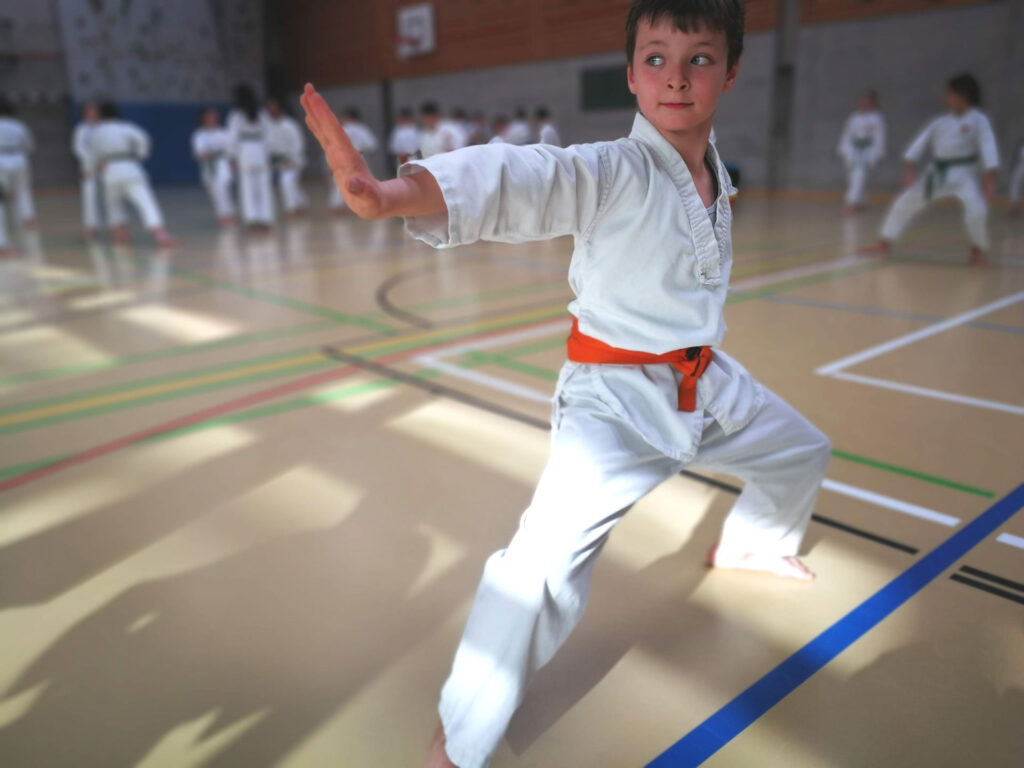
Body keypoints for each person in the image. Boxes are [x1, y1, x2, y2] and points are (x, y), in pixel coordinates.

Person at [302, 1, 831, 765]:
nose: (675, 79)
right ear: (630, 74)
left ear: (731, 73)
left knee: (800, 450)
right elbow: (524, 176)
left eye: (699, 59)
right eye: (655, 58)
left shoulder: (715, 171)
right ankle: (462, 734)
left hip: (702, 380)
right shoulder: (612, 169)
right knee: (538, 574)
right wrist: (392, 196)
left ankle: (752, 543)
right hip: (612, 402)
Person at [877, 73, 999, 265]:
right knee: (905, 202)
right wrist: (909, 170)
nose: (946, 97)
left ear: (962, 95)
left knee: (977, 211)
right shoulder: (940, 122)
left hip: (964, 174)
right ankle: (885, 242)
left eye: (950, 93)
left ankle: (978, 249)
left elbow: (988, 147)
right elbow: (917, 145)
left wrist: (989, 179)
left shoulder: (978, 119)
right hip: (936, 173)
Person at [89, 101, 178, 246]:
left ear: (101, 115)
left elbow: (93, 152)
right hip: (129, 166)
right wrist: (140, 155)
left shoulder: (97, 131)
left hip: (109, 169)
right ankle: (160, 234)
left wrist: (97, 165)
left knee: (112, 203)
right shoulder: (125, 127)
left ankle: (120, 233)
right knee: (145, 200)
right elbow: (143, 138)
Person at [226, 84, 274, 228]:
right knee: (263, 186)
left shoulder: (236, 115)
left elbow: (232, 137)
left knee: (247, 187)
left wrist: (231, 156)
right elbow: (269, 134)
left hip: (245, 150)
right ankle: (266, 218)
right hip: (260, 149)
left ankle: (252, 219)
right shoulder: (262, 113)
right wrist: (269, 153)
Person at [837, 89, 886, 214]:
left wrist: (877, 153)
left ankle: (851, 203)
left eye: (867, 102)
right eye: (862, 102)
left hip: (867, 151)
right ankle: (861, 202)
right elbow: (846, 134)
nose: (863, 104)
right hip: (852, 150)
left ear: (873, 103)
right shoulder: (853, 117)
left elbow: (879, 137)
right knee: (853, 177)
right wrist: (843, 149)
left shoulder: (877, 118)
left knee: (858, 175)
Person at [191, 107, 237, 225]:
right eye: (209, 117)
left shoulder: (223, 133)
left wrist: (232, 162)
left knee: (223, 188)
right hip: (208, 167)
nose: (212, 119)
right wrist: (214, 153)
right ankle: (222, 214)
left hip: (223, 165)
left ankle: (227, 214)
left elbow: (230, 151)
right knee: (215, 192)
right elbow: (200, 154)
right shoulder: (199, 135)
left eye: (214, 117)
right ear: (204, 119)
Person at [265, 97, 308, 218]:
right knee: (291, 184)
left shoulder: (289, 124)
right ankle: (301, 203)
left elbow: (298, 143)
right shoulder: (269, 126)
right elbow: (269, 144)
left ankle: (292, 209)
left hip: (294, 160)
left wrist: (293, 159)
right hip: (279, 160)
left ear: (279, 109)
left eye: (272, 108)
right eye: (268, 108)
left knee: (287, 182)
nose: (270, 111)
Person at [328, 108, 378, 212]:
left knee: (340, 181)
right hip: (359, 158)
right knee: (366, 180)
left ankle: (338, 206)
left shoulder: (340, 129)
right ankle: (374, 203)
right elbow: (372, 145)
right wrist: (360, 150)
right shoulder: (363, 129)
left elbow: (332, 147)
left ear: (347, 117)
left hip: (342, 159)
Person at [0, 96, 37, 232]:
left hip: (1, 160)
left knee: (2, 196)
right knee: (23, 190)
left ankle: (4, 233)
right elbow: (30, 145)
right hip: (19, 159)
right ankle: (28, 219)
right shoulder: (19, 125)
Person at [73, 100, 103, 239]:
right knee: (89, 196)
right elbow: (79, 149)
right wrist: (91, 162)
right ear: (84, 114)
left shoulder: (105, 127)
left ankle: (118, 227)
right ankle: (90, 227)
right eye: (89, 111)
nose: (92, 113)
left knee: (111, 197)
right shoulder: (81, 129)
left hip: (108, 165)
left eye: (94, 110)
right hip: (90, 166)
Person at [1009, 140, 1024, 216]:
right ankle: (1014, 207)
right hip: (1021, 164)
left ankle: (1015, 207)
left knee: (1015, 185)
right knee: (1014, 185)